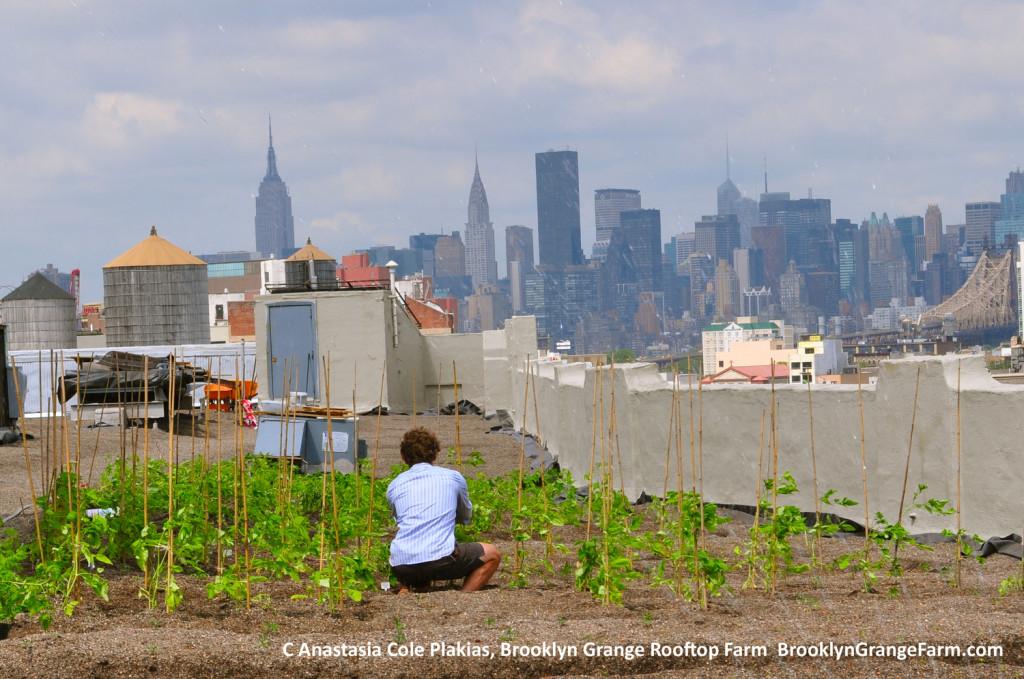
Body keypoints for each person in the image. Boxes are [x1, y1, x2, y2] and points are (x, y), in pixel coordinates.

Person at [386, 427, 501, 593]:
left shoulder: (394, 485)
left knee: (418, 554)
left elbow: (400, 520)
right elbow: (465, 515)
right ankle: (464, 595)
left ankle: (410, 586)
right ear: (435, 453)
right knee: (492, 553)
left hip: (400, 566)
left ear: (403, 456)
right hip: (441, 562)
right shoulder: (453, 477)